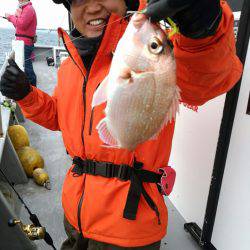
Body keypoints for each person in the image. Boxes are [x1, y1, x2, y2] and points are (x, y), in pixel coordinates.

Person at [0, 0, 243, 249]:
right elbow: (61, 118)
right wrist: (25, 95)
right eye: (79, 0)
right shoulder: (69, 66)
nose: (92, 8)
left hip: (129, 227)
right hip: (76, 215)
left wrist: (205, 30)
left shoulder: (157, 52)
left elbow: (208, 77)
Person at [5, 0, 37, 86]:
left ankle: (33, 89)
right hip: (21, 43)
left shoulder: (28, 9)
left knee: (27, 69)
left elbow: (21, 24)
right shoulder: (24, 9)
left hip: (25, 44)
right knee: (23, 66)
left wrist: (11, 17)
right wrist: (14, 18)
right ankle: (27, 88)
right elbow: (18, 26)